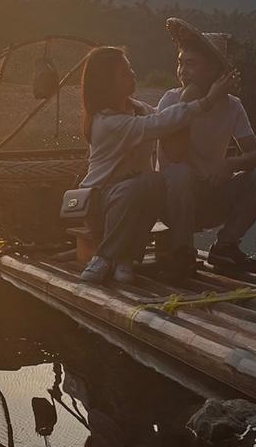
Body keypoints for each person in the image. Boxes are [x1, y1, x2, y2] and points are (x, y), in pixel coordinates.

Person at [78, 46, 236, 285]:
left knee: (153, 183)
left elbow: (167, 119)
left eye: (130, 69)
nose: (132, 75)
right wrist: (207, 100)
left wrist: (189, 100)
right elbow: (160, 123)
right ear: (106, 82)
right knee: (145, 183)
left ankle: (124, 257)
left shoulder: (138, 110)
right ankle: (105, 256)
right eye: (124, 73)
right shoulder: (106, 121)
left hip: (135, 200)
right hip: (102, 203)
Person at [157, 19, 256, 274]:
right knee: (180, 172)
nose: (183, 71)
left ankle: (225, 247)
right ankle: (182, 250)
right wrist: (190, 100)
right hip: (172, 203)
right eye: (180, 62)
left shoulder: (232, 106)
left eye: (191, 64)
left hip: (211, 196)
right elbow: (175, 155)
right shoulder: (170, 101)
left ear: (213, 71)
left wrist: (230, 164)